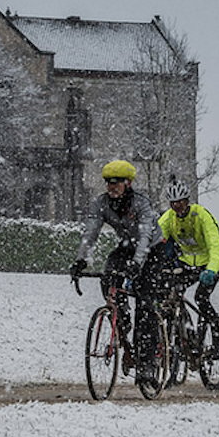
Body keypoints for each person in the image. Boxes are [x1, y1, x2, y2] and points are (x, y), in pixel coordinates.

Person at [68, 159, 169, 379]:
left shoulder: (141, 203)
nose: (112, 187)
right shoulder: (101, 203)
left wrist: (138, 263)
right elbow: (90, 233)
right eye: (108, 182)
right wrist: (80, 260)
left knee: (144, 301)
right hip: (127, 246)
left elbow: (145, 236)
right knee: (108, 278)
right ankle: (121, 318)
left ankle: (148, 361)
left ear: (128, 183)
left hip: (152, 249)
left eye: (116, 182)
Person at [156, 179, 219, 341]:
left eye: (180, 202)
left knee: (201, 298)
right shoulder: (169, 218)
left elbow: (215, 246)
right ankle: (182, 332)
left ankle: (217, 336)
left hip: (209, 264)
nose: (177, 206)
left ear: (187, 201)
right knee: (170, 293)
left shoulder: (201, 215)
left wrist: (211, 270)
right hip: (187, 264)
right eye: (173, 203)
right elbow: (154, 241)